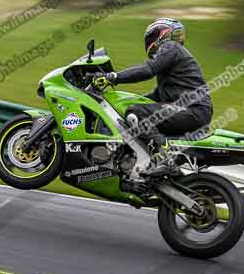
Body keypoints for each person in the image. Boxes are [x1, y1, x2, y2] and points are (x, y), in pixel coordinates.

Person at [91, 18, 213, 182]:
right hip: (194, 110)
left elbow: (148, 69)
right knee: (135, 110)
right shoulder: (174, 63)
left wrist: (113, 77)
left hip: (192, 110)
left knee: (136, 113)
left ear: (161, 35)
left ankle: (164, 158)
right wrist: (124, 101)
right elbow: (154, 97)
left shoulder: (170, 47)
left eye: (151, 37)